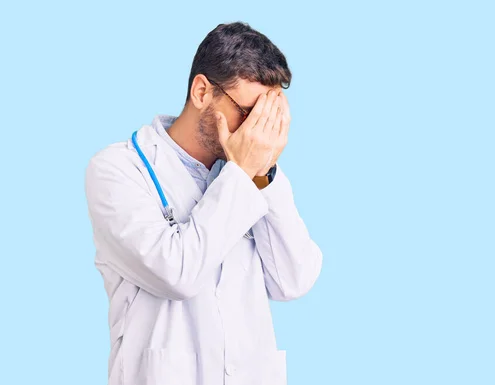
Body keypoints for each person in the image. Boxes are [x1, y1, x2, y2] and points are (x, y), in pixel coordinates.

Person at [84, 22, 323, 385]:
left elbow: (295, 280)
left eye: (269, 118)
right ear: (201, 92)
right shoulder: (118, 169)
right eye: (249, 114)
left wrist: (261, 176)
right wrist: (242, 175)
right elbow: (177, 274)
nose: (256, 132)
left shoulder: (253, 175)